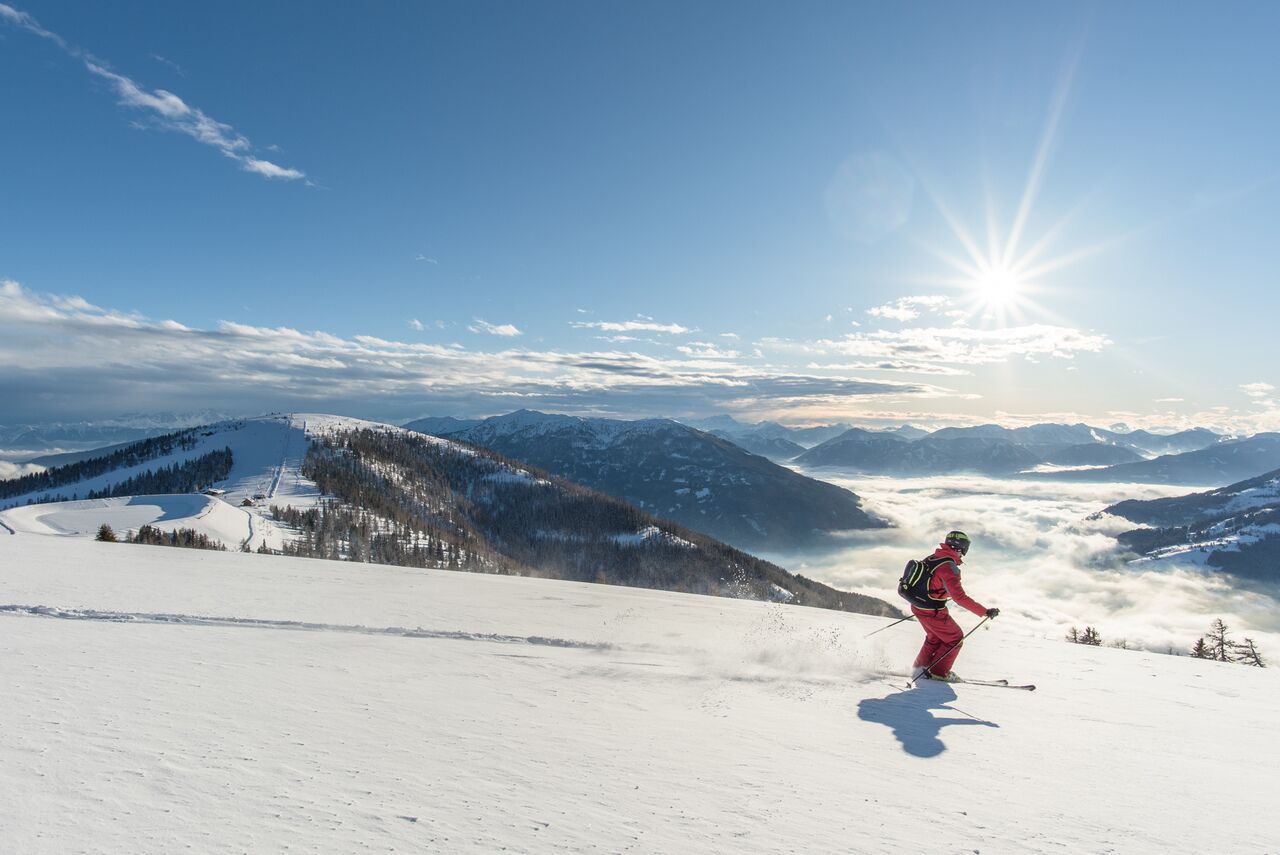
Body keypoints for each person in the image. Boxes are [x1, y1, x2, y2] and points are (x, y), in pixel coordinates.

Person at [898, 530, 999, 682]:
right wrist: (984, 611)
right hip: (933, 611)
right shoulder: (949, 567)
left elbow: (931, 583)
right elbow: (960, 597)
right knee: (955, 638)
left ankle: (919, 668)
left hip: (919, 606)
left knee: (934, 638)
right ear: (961, 548)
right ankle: (939, 673)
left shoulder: (933, 558)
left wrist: (942, 595)